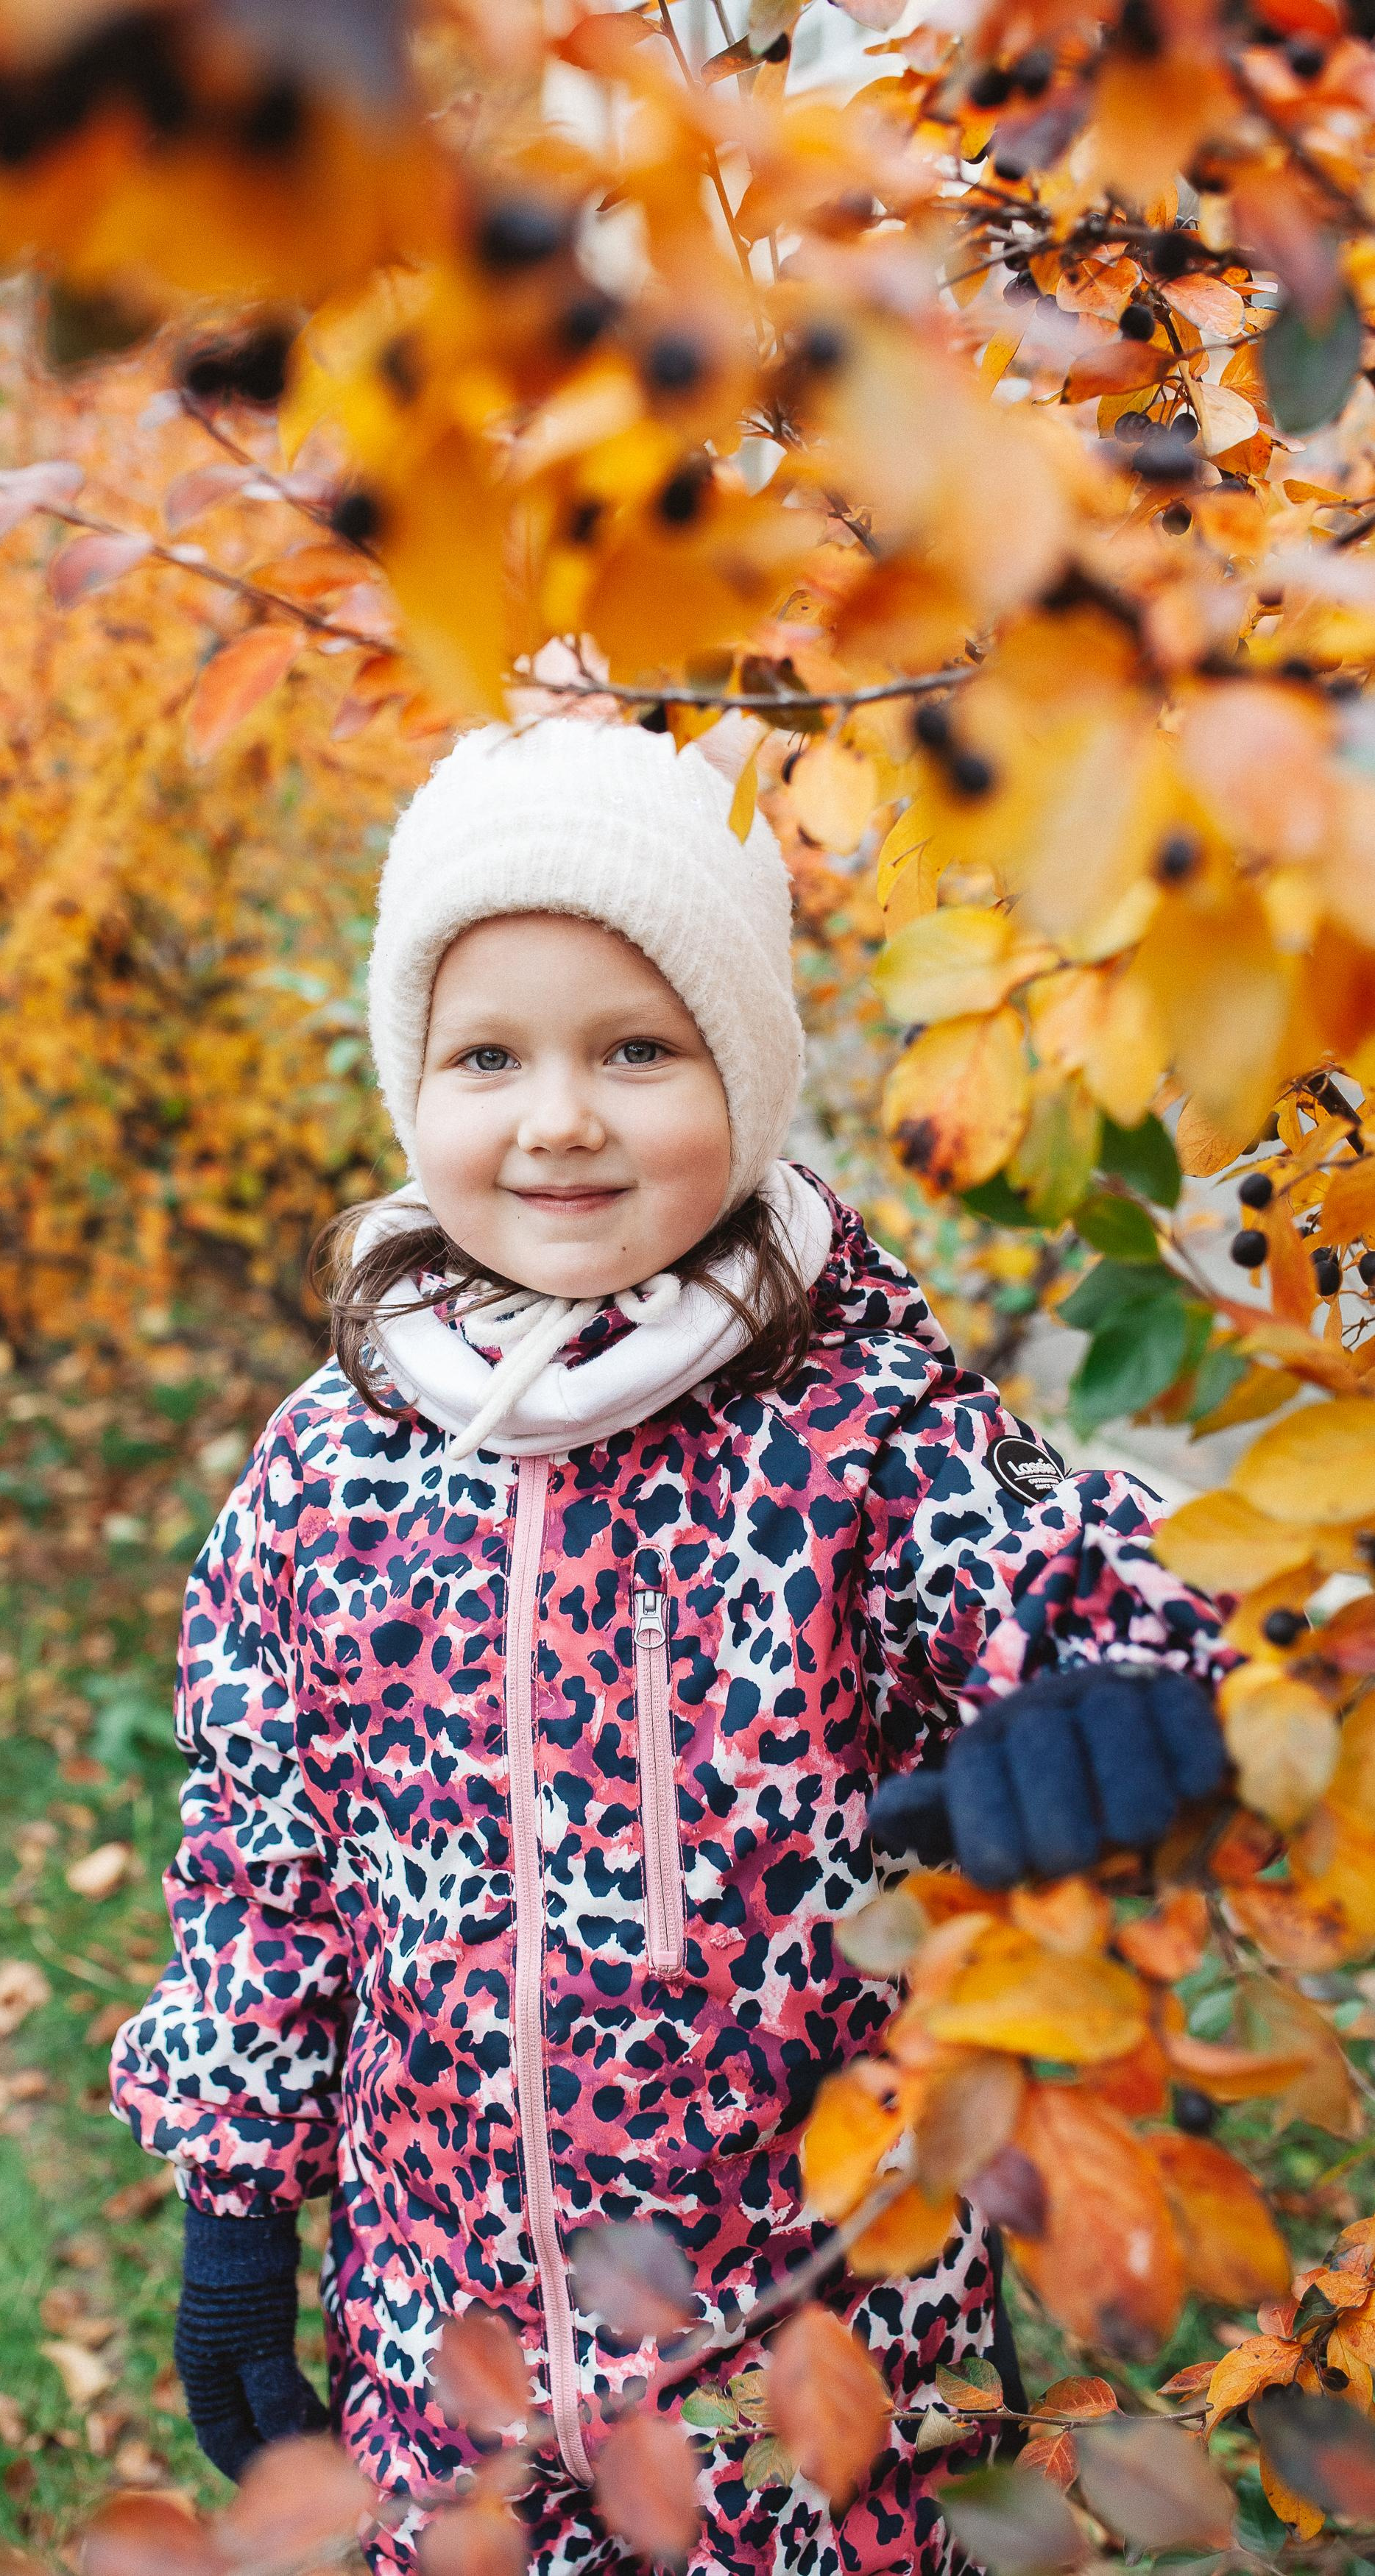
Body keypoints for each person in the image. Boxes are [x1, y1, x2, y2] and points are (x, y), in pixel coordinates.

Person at [109, 718, 1229, 2574]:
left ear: (750, 1071)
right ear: (416, 1090)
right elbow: (261, 1853)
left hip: (810, 2337)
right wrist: (238, 2217)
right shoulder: (334, 1462)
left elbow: (1106, 1593)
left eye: (635, 1048)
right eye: (490, 1055)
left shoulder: (856, 1419)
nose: (556, 1116)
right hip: (442, 2343)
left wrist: (1131, 1699)